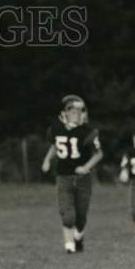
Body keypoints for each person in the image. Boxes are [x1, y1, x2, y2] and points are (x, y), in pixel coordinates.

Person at [40, 94, 102, 253]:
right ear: (64, 113)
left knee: (81, 216)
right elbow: (55, 146)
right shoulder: (56, 129)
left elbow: (98, 154)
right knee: (68, 215)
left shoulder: (87, 132)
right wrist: (47, 160)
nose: (76, 114)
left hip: (83, 179)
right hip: (63, 177)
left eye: (79, 111)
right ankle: (69, 245)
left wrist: (86, 167)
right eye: (72, 111)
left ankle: (78, 237)